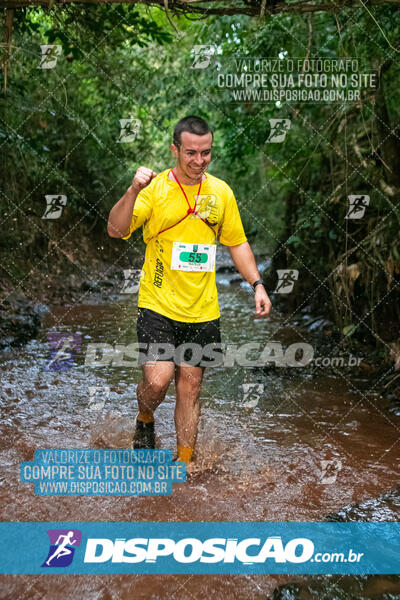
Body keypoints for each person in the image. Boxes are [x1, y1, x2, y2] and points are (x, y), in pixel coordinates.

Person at [107, 115, 271, 465]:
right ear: (175, 150)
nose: (199, 161)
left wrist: (257, 284)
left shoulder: (221, 192)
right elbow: (116, 229)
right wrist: (132, 189)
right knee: (158, 380)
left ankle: (183, 465)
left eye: (206, 153)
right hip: (157, 303)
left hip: (203, 309)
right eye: (191, 153)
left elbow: (237, 243)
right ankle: (146, 418)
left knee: (191, 385)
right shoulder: (155, 190)